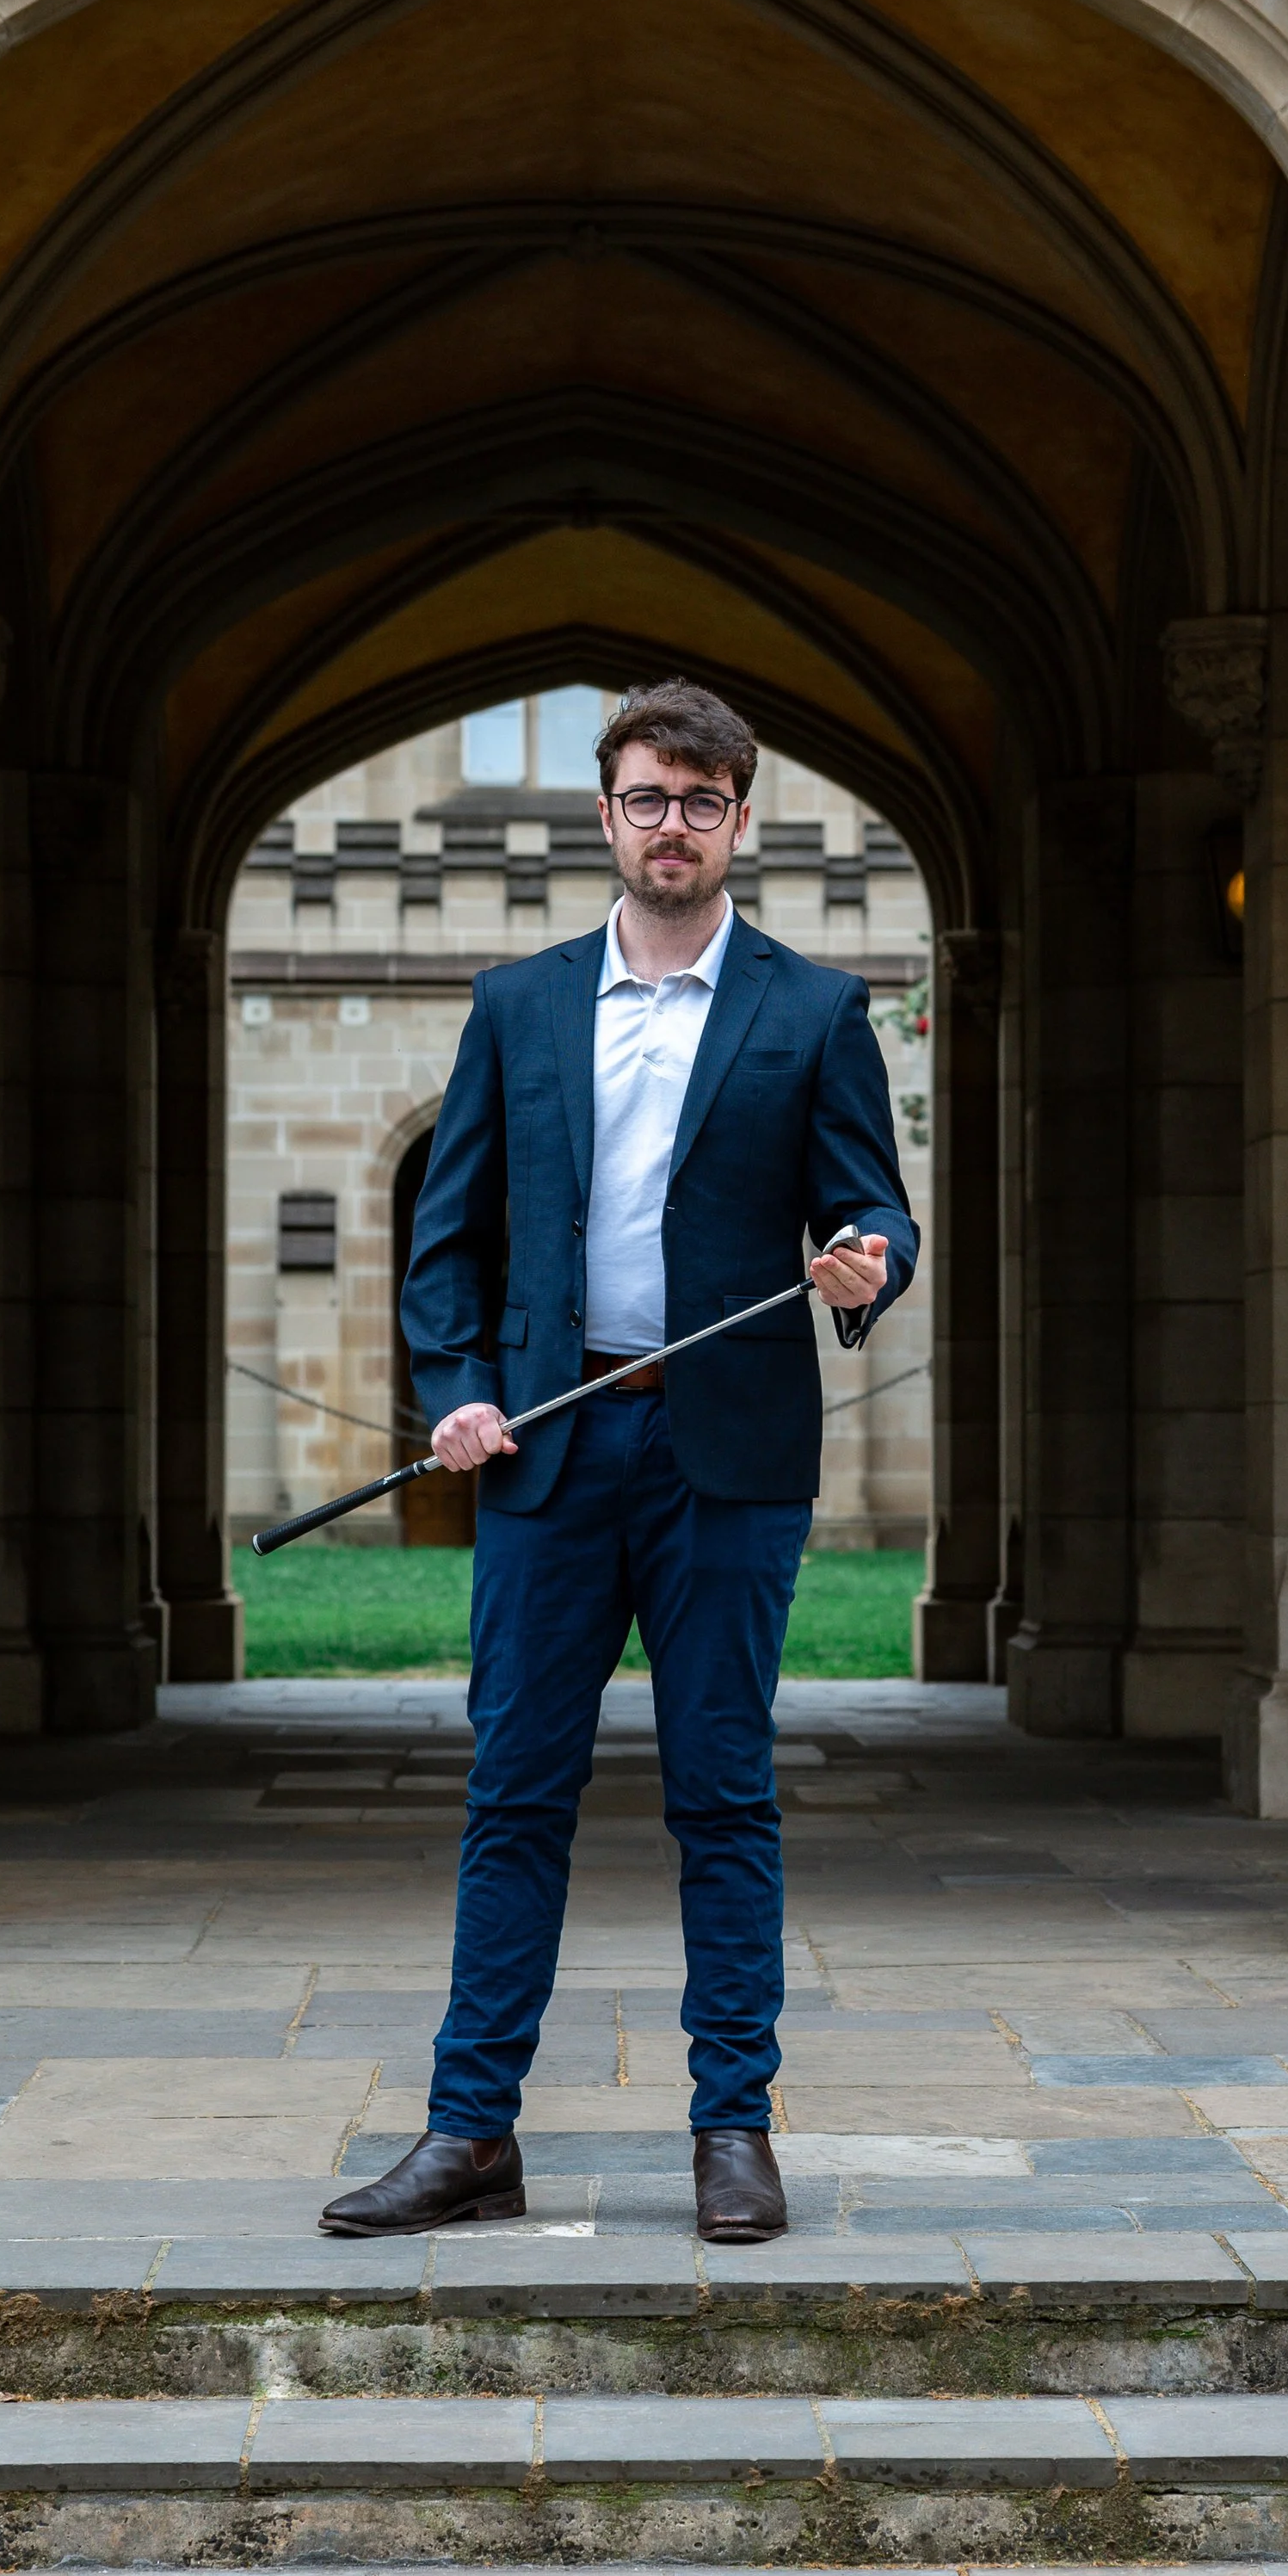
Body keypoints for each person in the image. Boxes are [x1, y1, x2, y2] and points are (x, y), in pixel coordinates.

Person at [319, 682, 918, 2244]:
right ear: (607, 815)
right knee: (516, 1792)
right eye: (648, 797)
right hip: (552, 1444)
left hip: (727, 1448)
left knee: (725, 1795)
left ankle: (734, 2130)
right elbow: (448, 1240)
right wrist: (455, 1390)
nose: (673, 824)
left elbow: (880, 1212)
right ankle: (470, 2133)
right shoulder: (517, 1005)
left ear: (740, 820)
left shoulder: (815, 1009)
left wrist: (868, 1263)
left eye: (702, 801)